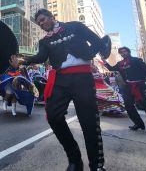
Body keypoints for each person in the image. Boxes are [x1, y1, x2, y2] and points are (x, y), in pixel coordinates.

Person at [20, 9, 106, 171]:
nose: (41, 23)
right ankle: (74, 160)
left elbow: (97, 41)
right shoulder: (44, 41)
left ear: (52, 16)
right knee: (53, 116)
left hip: (82, 78)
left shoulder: (75, 26)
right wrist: (23, 60)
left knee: (89, 123)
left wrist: (89, 53)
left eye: (43, 19)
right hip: (61, 79)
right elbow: (40, 57)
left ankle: (97, 165)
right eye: (38, 22)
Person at [105, 47, 146, 134]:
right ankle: (138, 124)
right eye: (121, 52)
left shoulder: (137, 60)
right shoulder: (120, 64)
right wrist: (104, 61)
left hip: (139, 85)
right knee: (128, 105)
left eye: (125, 51)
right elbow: (111, 68)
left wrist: (143, 78)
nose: (123, 53)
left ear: (128, 52)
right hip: (128, 86)